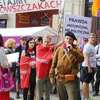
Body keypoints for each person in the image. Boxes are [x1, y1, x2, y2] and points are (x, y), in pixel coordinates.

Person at [49, 31, 84, 100]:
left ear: (73, 41)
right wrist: (51, 75)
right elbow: (54, 63)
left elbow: (81, 59)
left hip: (70, 79)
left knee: (73, 98)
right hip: (60, 78)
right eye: (67, 38)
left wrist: (72, 50)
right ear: (65, 39)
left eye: (70, 39)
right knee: (62, 98)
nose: (68, 40)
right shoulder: (59, 49)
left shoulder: (77, 49)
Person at [81, 33, 97, 100]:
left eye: (94, 37)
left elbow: (93, 57)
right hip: (87, 67)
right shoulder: (87, 46)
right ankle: (86, 97)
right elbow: (86, 56)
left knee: (87, 82)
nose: (93, 38)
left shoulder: (92, 46)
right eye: (92, 37)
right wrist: (89, 67)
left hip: (91, 67)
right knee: (85, 82)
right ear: (89, 38)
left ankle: (86, 97)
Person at [0, 35, 13, 100]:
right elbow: (4, 64)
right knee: (3, 95)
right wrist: (10, 64)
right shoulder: (0, 49)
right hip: (2, 76)